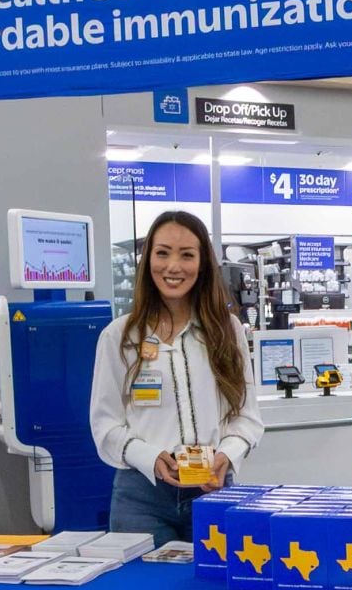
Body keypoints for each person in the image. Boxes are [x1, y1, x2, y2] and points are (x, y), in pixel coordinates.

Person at [89, 210, 265, 545]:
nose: (173, 266)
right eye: (163, 252)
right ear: (147, 260)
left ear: (202, 265)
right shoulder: (119, 336)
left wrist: (225, 456)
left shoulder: (226, 331)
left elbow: (248, 417)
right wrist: (152, 459)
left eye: (187, 255)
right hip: (141, 499)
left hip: (212, 492)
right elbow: (105, 423)